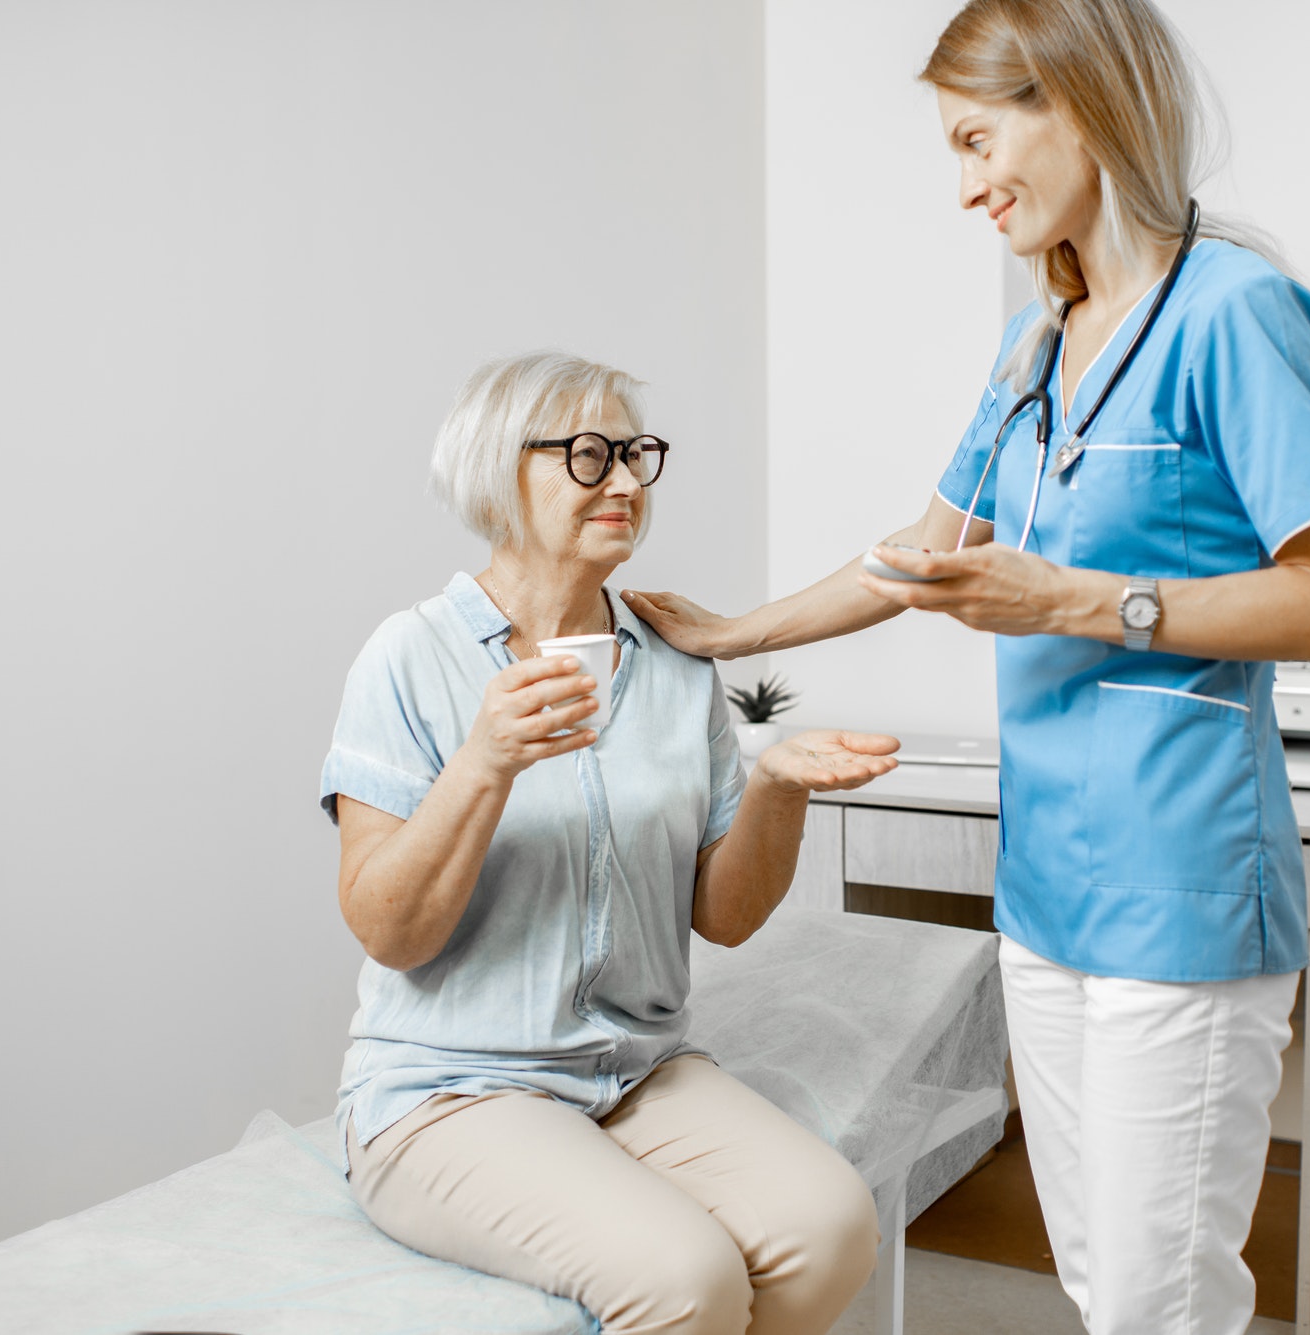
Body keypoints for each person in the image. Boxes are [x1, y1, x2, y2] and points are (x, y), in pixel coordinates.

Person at [623, 2, 1310, 1331]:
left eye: (980, 140)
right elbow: (920, 554)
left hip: (1185, 885)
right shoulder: (1037, 345)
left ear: (1081, 105)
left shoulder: (1237, 311)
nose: (968, 184)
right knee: (1096, 1277)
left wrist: (1085, 598)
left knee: (1161, 1297)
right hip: (1047, 888)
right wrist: (730, 632)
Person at [320, 351, 894, 1334]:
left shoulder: (674, 665)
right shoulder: (409, 659)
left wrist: (775, 786)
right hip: (450, 1090)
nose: (626, 481)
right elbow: (388, 930)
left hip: (635, 1072)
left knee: (832, 1224)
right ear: (500, 474)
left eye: (633, 454)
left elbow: (725, 919)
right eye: (588, 456)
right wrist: (486, 762)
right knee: (684, 1278)